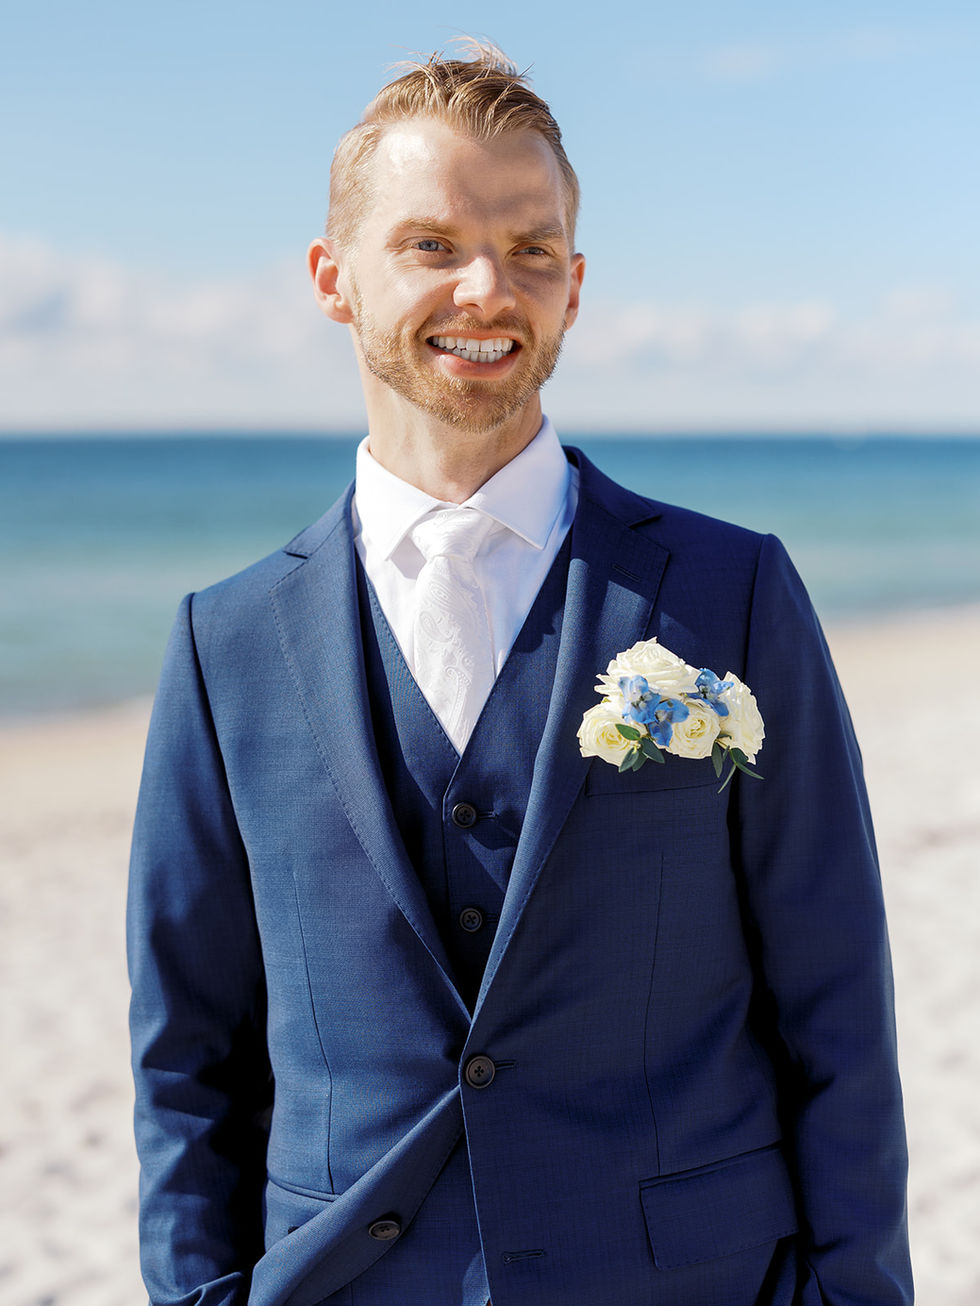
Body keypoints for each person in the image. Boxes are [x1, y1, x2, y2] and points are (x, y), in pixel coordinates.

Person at [127, 42, 913, 1306]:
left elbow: (834, 1002)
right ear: (334, 279)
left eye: (529, 248)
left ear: (575, 284)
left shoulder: (732, 592)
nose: (486, 289)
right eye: (430, 244)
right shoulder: (226, 644)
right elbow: (188, 1057)